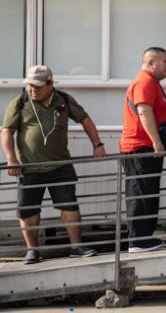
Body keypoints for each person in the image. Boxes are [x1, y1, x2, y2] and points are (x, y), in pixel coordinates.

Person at [1, 66, 105, 264]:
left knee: (70, 206)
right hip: (30, 168)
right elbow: (7, 132)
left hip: (61, 165)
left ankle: (76, 246)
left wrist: (97, 144)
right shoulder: (20, 102)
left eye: (38, 86)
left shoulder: (63, 100)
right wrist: (11, 158)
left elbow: (85, 120)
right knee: (28, 210)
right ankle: (32, 250)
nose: (32, 90)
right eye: (30, 85)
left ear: (50, 84)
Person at [121, 47, 166, 253]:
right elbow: (144, 111)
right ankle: (138, 240)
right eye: (165, 61)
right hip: (140, 146)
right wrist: (157, 142)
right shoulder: (144, 81)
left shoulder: (150, 82)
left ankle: (144, 238)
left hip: (144, 146)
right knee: (141, 192)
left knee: (148, 191)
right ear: (151, 63)